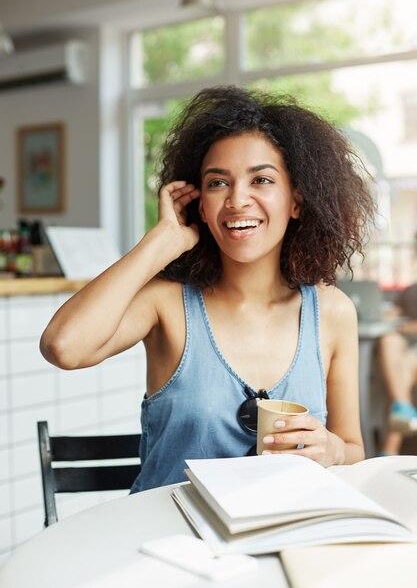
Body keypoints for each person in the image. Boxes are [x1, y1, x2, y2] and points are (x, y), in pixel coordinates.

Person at [40, 86, 375, 492]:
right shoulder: (165, 302)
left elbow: (353, 447)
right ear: (200, 204)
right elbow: (63, 347)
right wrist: (158, 244)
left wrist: (332, 450)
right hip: (170, 542)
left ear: (297, 201)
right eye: (218, 183)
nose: (237, 200)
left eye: (262, 180)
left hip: (278, 537)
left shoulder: (332, 311)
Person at [378, 275, 417, 456]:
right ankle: (403, 405)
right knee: (389, 340)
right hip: (406, 343)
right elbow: (395, 313)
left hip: (412, 351)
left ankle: (389, 450)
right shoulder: (410, 291)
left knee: (406, 365)